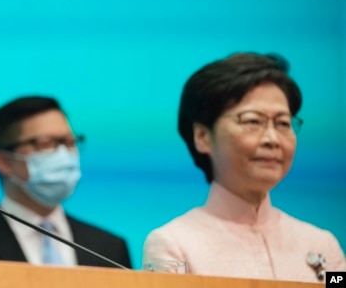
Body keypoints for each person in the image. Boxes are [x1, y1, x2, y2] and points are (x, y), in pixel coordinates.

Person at [142, 52, 346, 282]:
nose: (272, 139)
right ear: (202, 136)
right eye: (252, 121)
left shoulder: (322, 245)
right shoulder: (172, 245)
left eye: (283, 123)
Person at [0, 96, 132, 268]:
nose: (63, 154)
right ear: (4, 162)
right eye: (46, 143)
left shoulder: (108, 248)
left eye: (70, 142)